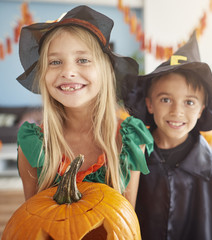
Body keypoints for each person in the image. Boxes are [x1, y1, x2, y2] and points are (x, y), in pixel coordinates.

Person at [15, 5, 153, 208]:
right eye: (55, 62)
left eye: (83, 60)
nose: (68, 71)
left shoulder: (129, 140)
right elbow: (33, 221)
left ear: (105, 71)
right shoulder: (33, 146)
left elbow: (126, 224)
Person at [125, 32, 212, 239]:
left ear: (201, 109)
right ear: (149, 104)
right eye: (166, 99)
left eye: (189, 102)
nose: (176, 112)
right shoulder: (135, 154)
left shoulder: (207, 166)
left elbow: (211, 225)